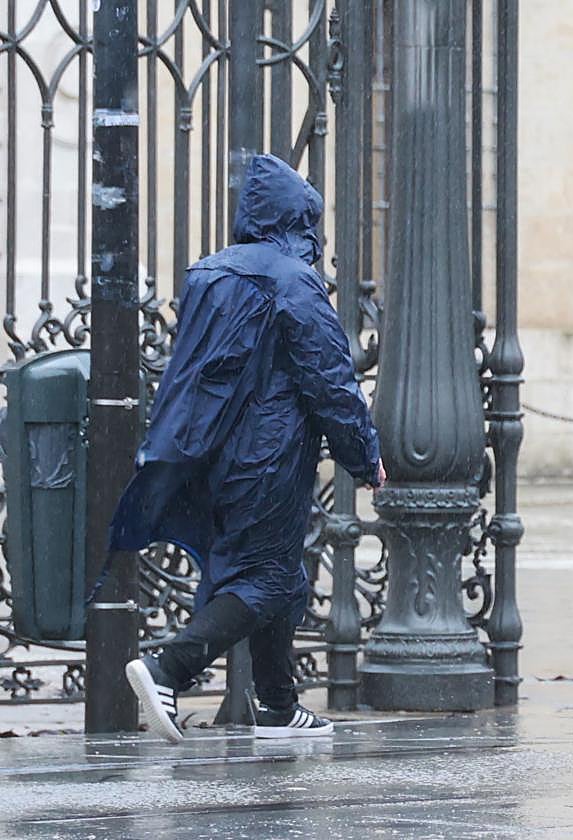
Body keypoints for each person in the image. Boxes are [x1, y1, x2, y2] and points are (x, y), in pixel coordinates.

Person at [110, 154, 382, 743]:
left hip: (212, 450)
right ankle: (168, 668)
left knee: (269, 571)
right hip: (271, 455)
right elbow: (330, 379)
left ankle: (280, 707)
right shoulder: (292, 280)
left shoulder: (209, 274)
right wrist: (363, 455)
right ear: (299, 219)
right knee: (270, 579)